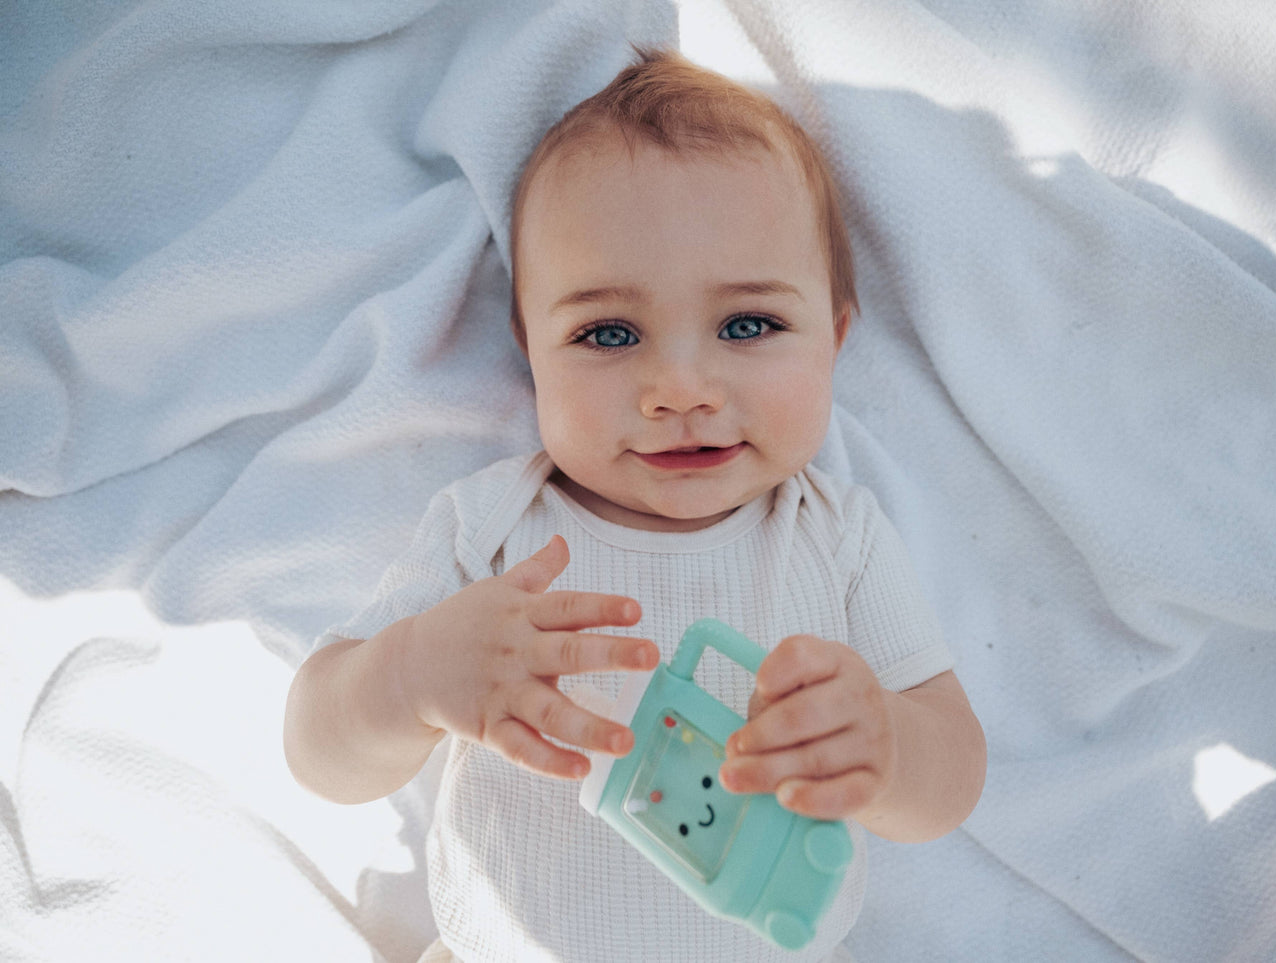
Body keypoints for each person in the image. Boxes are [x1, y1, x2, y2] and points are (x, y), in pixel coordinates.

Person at [284, 46, 986, 963]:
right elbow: (318, 754)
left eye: (747, 325)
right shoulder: (493, 529)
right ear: (530, 349)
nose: (680, 389)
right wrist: (406, 676)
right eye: (609, 333)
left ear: (834, 337)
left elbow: (952, 778)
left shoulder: (834, 536)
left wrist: (886, 743)